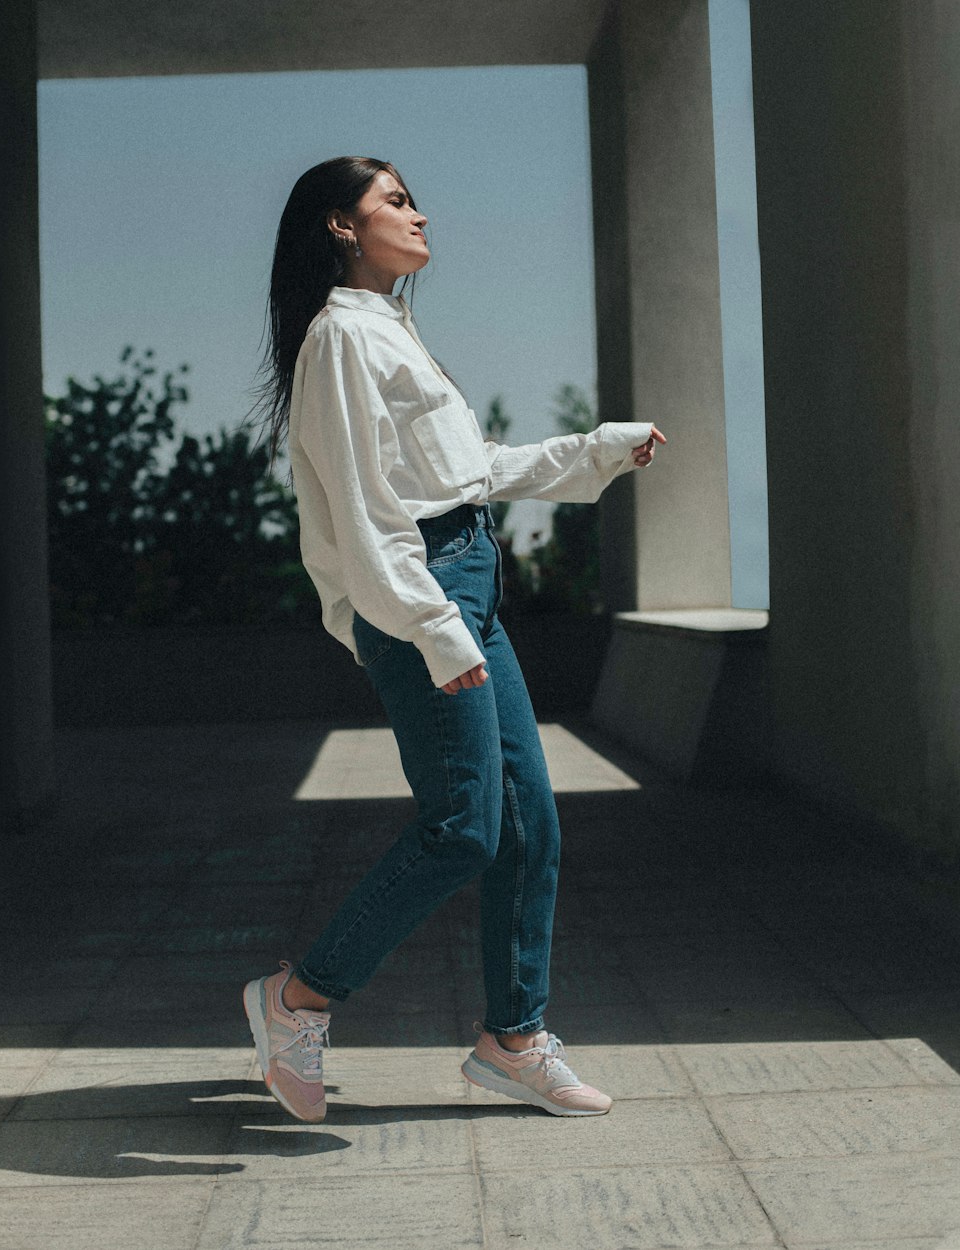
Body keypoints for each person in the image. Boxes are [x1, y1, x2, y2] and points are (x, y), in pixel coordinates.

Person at [243, 156, 666, 1123]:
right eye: (395, 200)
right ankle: (298, 997)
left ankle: (513, 1041)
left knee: (530, 824)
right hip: (418, 594)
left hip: (462, 582)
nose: (419, 212)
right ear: (341, 227)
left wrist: (593, 449)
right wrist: (435, 628)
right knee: (466, 824)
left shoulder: (389, 329)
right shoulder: (341, 338)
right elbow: (364, 511)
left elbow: (461, 473)